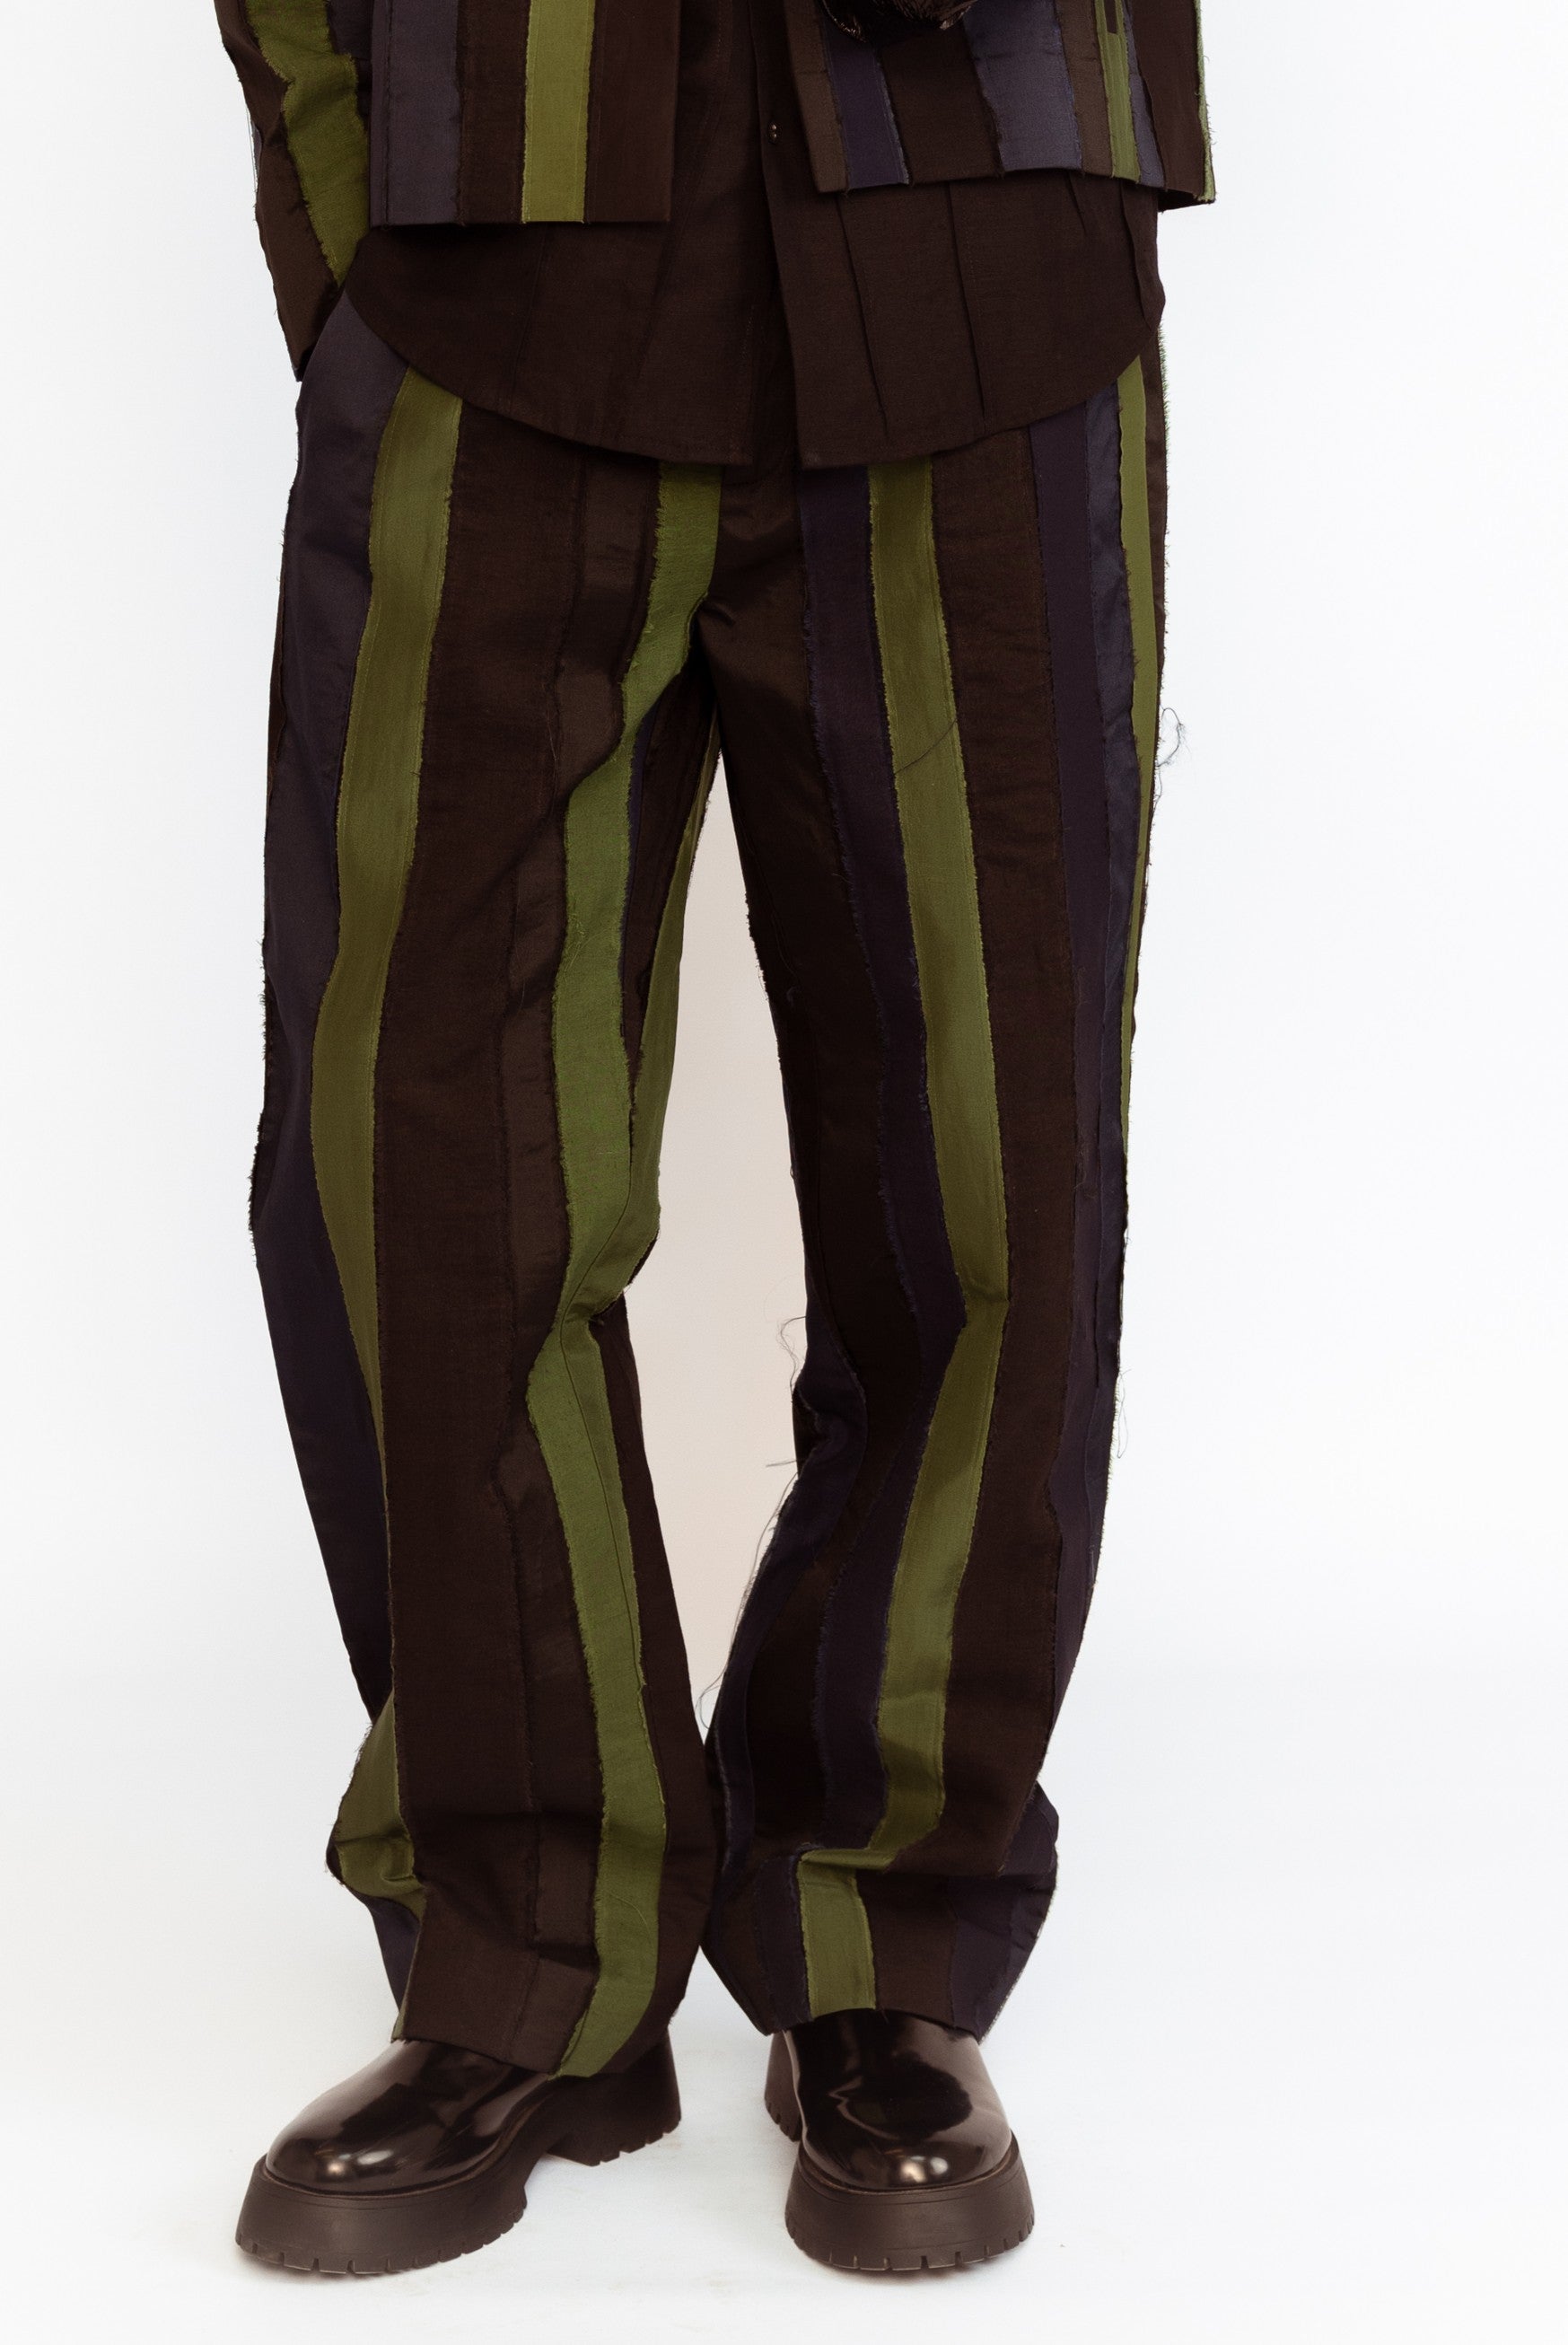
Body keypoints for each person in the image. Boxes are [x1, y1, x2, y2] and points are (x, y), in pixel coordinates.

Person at [214, 0, 1211, 2279]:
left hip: (983, 252)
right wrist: (347, 228)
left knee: (994, 1167)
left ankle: (886, 1940)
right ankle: (521, 1947)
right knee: (409, 1166)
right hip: (492, 262)